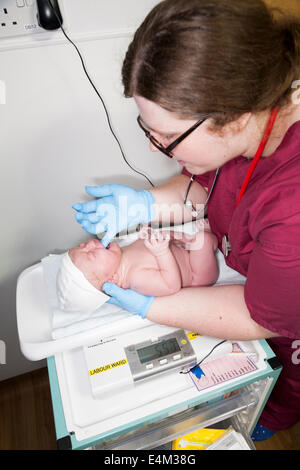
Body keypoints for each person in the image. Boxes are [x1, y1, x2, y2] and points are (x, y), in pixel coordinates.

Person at [72, 0, 300, 441]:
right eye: (148, 131)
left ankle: (274, 417)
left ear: (234, 118)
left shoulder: (292, 209)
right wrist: (146, 203)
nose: (156, 150)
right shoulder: (252, 116)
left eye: (166, 137)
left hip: (287, 325)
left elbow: (263, 318)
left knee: (279, 384)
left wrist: (153, 307)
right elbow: (211, 185)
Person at [57, 221, 218, 312]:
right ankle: (212, 241)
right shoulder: (136, 277)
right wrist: (161, 252)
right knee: (202, 240)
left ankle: (196, 239)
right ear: (111, 280)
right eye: (91, 254)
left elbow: (149, 245)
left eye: (83, 245)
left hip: (180, 249)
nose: (91, 243)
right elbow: (171, 285)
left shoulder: (122, 252)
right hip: (197, 274)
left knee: (182, 237)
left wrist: (150, 236)